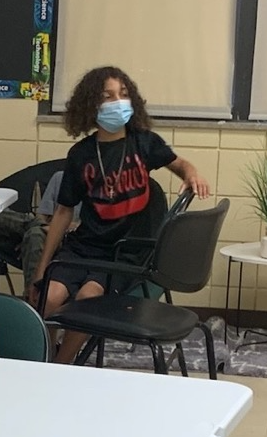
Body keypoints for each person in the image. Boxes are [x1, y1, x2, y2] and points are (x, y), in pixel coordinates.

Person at [32, 66, 210, 364]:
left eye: (123, 95)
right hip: (84, 247)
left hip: (121, 255)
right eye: (108, 96)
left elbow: (181, 165)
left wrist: (192, 175)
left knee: (88, 299)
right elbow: (63, 212)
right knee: (46, 296)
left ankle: (62, 364)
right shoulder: (81, 154)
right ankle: (45, 358)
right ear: (92, 105)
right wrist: (42, 266)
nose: (118, 102)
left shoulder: (144, 143)